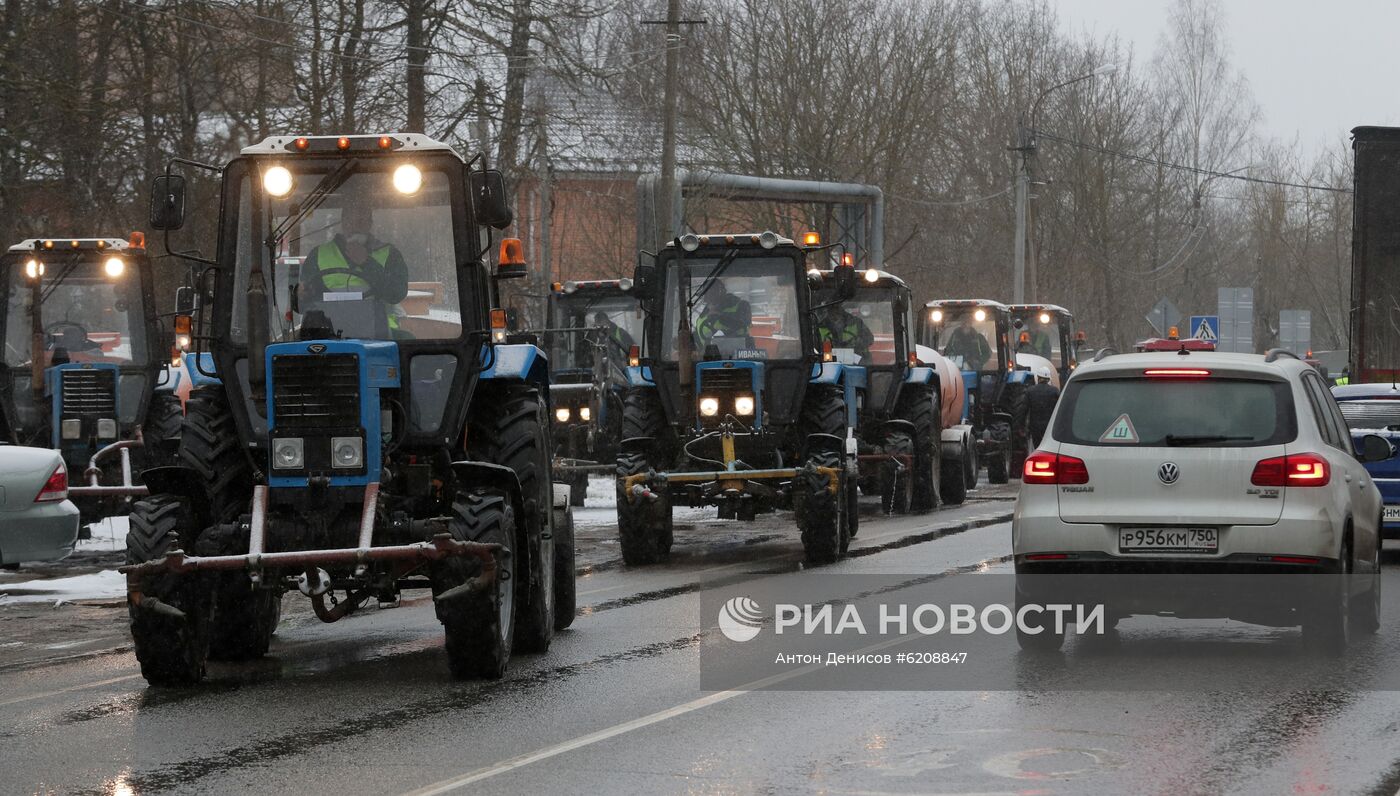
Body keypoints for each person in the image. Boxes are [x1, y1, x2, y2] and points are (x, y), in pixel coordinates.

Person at [301, 204, 410, 337]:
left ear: (370, 224)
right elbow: (302, 304)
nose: (355, 227)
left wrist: (366, 263)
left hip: (378, 336)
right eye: (349, 221)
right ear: (342, 223)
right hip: (328, 337)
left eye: (361, 221)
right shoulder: (318, 255)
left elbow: (396, 293)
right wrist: (300, 295)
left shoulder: (389, 254)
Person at [694, 281, 751, 347]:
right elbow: (698, 342)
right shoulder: (701, 318)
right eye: (707, 294)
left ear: (722, 292)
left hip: (741, 354)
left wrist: (721, 317)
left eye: (713, 293)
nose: (710, 298)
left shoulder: (741, 305)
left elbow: (743, 323)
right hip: (708, 356)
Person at [1027, 365, 1060, 448]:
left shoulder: (1030, 391)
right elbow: (1060, 409)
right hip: (1050, 427)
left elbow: (1023, 411)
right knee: (1050, 448)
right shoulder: (1054, 391)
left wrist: (1021, 428)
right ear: (1048, 379)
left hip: (1035, 427)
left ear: (1038, 377)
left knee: (1038, 447)